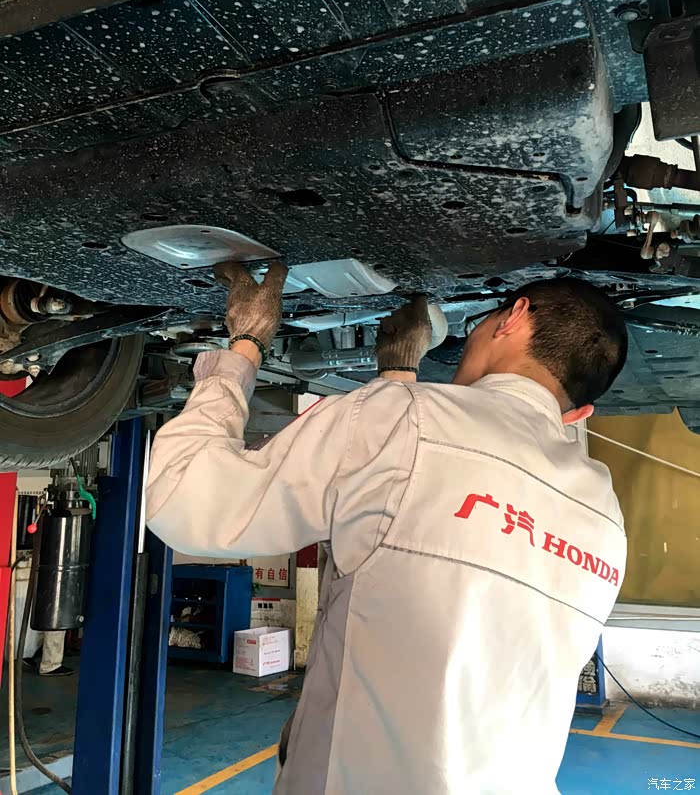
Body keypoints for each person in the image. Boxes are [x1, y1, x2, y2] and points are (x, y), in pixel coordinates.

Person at [147, 263, 628, 795]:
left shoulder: (401, 418)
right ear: (578, 413)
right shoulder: (603, 513)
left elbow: (184, 498)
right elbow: (415, 513)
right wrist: (397, 376)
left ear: (514, 316)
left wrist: (245, 346)